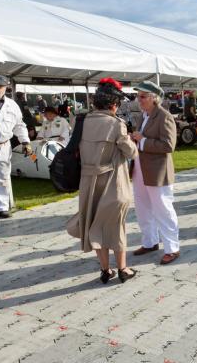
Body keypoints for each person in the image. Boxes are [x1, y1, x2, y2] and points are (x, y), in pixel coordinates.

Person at [73, 77, 138, 284]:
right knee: (115, 226)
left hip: (87, 182)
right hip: (112, 181)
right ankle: (122, 269)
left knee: (94, 226)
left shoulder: (81, 121)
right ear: (114, 104)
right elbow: (131, 153)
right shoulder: (116, 124)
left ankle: (105, 270)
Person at [130, 81, 181, 265]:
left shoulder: (164, 116)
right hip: (140, 170)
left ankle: (172, 248)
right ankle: (150, 242)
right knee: (143, 209)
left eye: (142, 96)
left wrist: (142, 141)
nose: (139, 100)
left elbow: (169, 145)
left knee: (163, 210)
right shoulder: (143, 115)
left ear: (154, 98)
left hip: (158, 172)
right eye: (138, 96)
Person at [0, 75, 32, 218]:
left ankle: (1, 207)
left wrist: (25, 142)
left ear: (6, 88)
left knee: (2, 176)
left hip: (2, 145)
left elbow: (19, 125)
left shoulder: (12, 105)